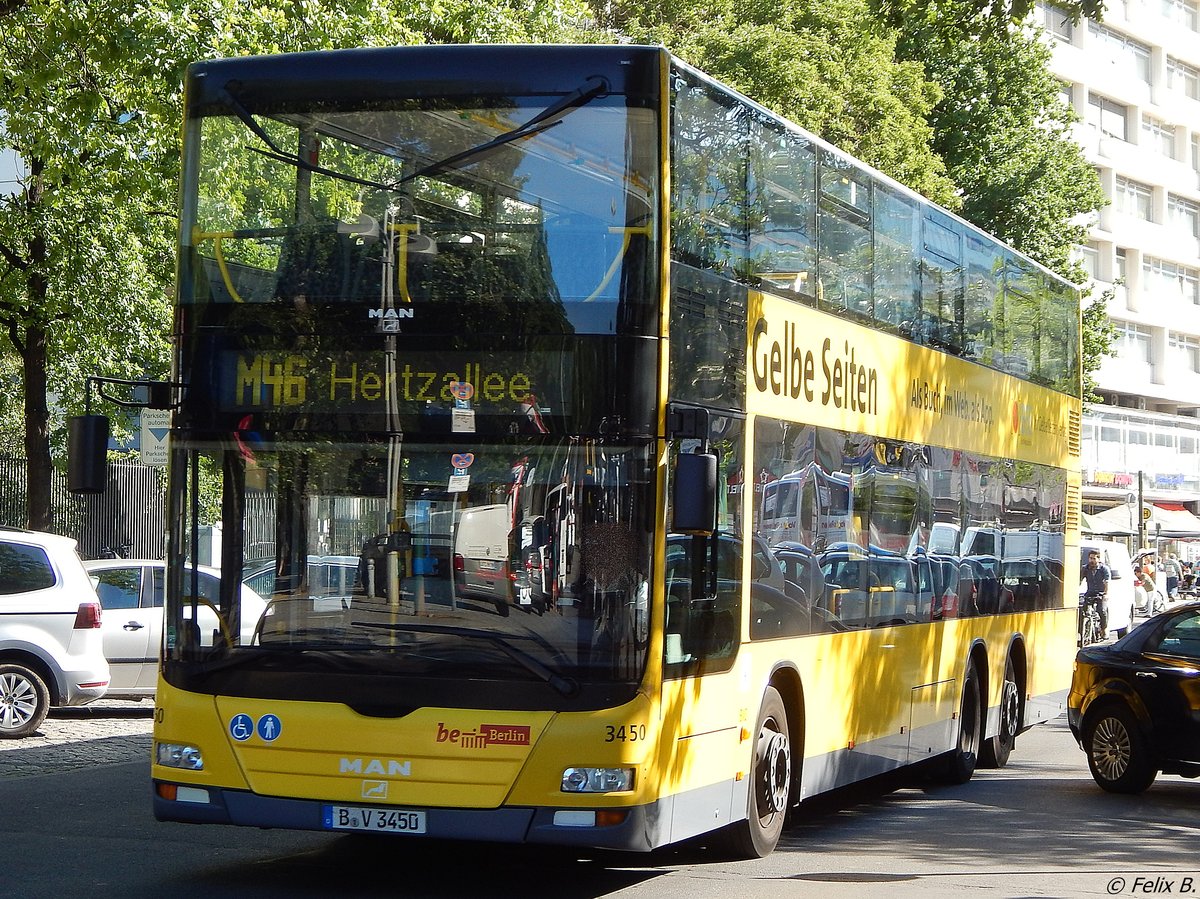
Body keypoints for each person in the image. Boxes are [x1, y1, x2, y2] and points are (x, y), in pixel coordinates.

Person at [1081, 549, 1110, 635]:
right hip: (1090, 592)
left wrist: (1106, 594)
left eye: (1094, 558)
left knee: (1101, 610)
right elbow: (1079, 580)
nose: (1091, 560)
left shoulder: (1104, 569)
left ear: (1098, 559)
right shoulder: (1085, 568)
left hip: (1101, 593)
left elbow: (1106, 582)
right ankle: (1083, 630)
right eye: (1090, 558)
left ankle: (1104, 629)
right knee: (1083, 610)